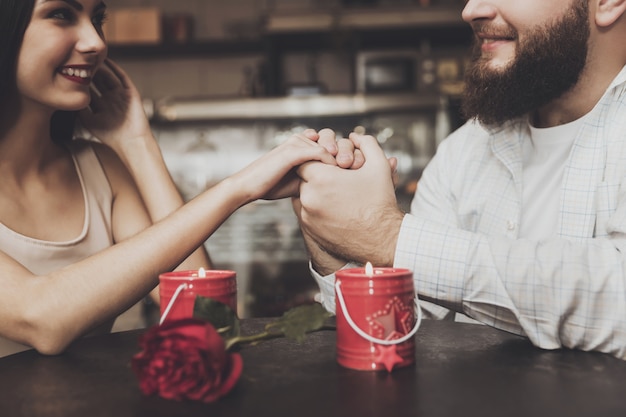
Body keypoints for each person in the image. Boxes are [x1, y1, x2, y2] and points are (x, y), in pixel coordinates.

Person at [0, 0, 340, 357]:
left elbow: (203, 314)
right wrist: (238, 189)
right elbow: (39, 319)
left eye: (97, 20)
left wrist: (137, 144)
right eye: (61, 14)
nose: (96, 42)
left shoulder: (99, 170)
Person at [293, 0, 626, 359]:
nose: (471, 10)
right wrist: (336, 241)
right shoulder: (465, 149)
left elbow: (615, 295)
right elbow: (395, 327)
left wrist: (389, 237)